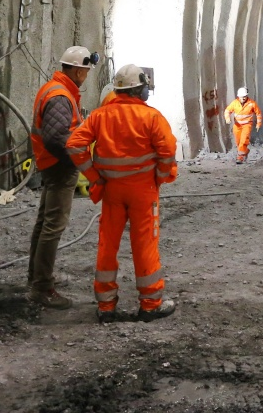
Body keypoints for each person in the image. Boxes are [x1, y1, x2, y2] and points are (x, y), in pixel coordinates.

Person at [68, 64, 178, 324]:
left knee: (107, 245)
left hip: (112, 191)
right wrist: (160, 178)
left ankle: (106, 306)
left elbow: (74, 145)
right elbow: (168, 152)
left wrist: (95, 178)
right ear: (139, 89)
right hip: (143, 191)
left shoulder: (99, 116)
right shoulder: (152, 117)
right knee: (145, 246)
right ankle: (150, 304)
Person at [27, 45, 99, 309]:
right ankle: (42, 288)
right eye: (86, 70)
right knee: (53, 225)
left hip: (51, 164)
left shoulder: (56, 89)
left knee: (44, 222)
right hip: (58, 166)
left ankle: (35, 278)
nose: (87, 75)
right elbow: (57, 138)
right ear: (78, 70)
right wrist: (81, 162)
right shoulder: (60, 95)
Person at [223, 86, 261, 164]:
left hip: (247, 125)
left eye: (244, 97)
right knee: (238, 141)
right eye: (241, 97)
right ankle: (245, 151)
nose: (243, 98)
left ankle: (240, 157)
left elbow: (258, 113)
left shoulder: (252, 103)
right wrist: (227, 118)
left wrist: (258, 124)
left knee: (243, 141)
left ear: (247, 96)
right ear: (238, 96)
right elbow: (227, 110)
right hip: (237, 125)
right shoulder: (235, 103)